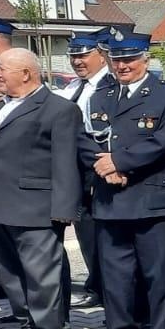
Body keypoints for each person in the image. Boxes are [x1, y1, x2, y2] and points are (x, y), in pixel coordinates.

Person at [81, 28, 165, 329]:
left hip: (152, 195)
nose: (123, 66)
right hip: (110, 197)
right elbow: (84, 139)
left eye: (130, 59)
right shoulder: (100, 96)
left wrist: (119, 163)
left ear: (146, 59)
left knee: (161, 271)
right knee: (115, 272)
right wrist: (103, 167)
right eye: (117, 60)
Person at [0, 48, 83, 329]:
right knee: (9, 272)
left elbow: (65, 162)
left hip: (35, 205)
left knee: (41, 274)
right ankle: (28, 325)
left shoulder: (57, 109)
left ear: (26, 73)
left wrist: (65, 208)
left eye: (3, 70)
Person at [57, 31, 113, 309]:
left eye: (83, 55)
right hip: (76, 172)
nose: (77, 61)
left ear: (102, 56)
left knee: (103, 235)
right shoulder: (71, 88)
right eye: (73, 55)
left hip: (99, 169)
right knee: (87, 233)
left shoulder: (109, 85)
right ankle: (96, 285)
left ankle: (107, 289)